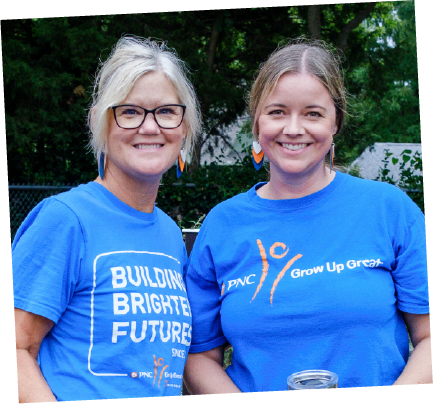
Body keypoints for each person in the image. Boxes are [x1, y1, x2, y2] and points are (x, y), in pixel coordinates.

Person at [183, 39, 432, 393]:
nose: (294, 128)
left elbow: (428, 337)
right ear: (257, 122)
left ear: (335, 123)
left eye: (313, 113)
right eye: (277, 111)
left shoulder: (389, 209)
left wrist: (396, 400)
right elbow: (199, 357)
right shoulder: (223, 224)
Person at [13, 36, 201, 402]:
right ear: (101, 123)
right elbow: (15, 349)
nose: (150, 127)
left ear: (184, 127)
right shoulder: (66, 219)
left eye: (166, 111)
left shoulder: (169, 234)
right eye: (129, 112)